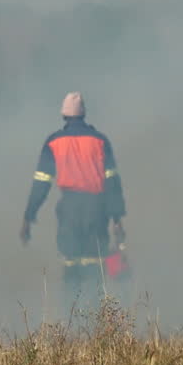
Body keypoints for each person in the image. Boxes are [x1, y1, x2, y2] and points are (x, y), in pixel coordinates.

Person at [20, 92, 126, 309]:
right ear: (83, 113)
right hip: (98, 209)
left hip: (69, 209)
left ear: (64, 115)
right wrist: (117, 219)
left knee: (71, 264)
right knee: (96, 264)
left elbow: (42, 182)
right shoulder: (100, 141)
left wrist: (29, 217)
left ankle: (73, 321)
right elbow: (112, 182)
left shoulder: (54, 142)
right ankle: (97, 322)